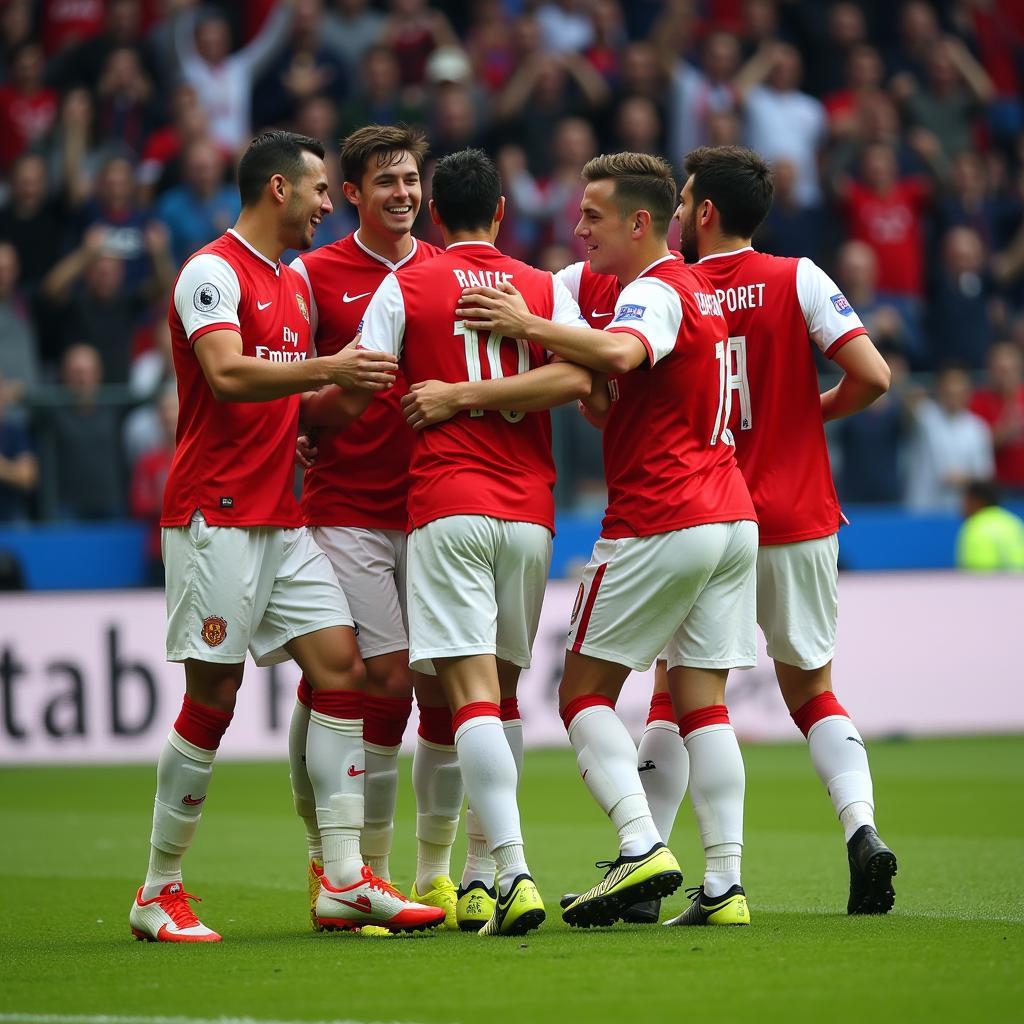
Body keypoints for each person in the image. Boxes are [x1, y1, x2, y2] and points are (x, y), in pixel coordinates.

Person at [558, 145, 895, 922]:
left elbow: (618, 373)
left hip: (691, 503)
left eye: (684, 202)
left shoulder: (665, 288)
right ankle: (856, 828)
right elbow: (874, 377)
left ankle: (647, 856)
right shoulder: (798, 277)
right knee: (809, 691)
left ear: (702, 212)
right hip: (793, 513)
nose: (677, 213)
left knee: (672, 696)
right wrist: (808, 416)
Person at [128, 129, 443, 943]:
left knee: (347, 673)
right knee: (214, 696)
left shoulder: (291, 289)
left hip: (283, 516)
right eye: (317, 191)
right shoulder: (212, 271)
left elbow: (290, 398)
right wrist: (330, 369)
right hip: (216, 514)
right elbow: (229, 377)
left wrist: (329, 406)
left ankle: (342, 878)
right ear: (278, 189)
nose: (325, 204)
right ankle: (158, 890)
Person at [455, 151, 753, 930]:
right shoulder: (694, 291)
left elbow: (621, 353)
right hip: (730, 516)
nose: (579, 227)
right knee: (701, 702)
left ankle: (640, 843)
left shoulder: (652, 291)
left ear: (640, 222)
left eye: (593, 215)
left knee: (581, 693)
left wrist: (526, 324)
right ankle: (724, 885)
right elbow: (621, 388)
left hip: (665, 516)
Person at [307, 147, 593, 936]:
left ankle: (511, 869)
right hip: (532, 514)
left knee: (461, 697)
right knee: (500, 699)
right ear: (502, 212)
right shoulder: (544, 285)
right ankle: (467, 877)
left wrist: (309, 424)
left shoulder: (407, 282)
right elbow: (579, 379)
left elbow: (364, 375)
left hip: (447, 505)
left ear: (436, 217)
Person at [287, 124, 466, 931]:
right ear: (351, 193)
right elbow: (283, 384)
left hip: (434, 508)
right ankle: (365, 866)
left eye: (411, 180)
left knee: (435, 687)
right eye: (385, 181)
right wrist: (317, 409)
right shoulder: (312, 276)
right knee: (376, 678)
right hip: (346, 508)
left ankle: (430, 873)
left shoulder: (445, 271)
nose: (403, 193)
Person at [956, 479, 1024, 571]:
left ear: (975, 501)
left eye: (965, 500)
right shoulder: (1014, 522)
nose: (961, 506)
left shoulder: (975, 527)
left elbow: (976, 576)